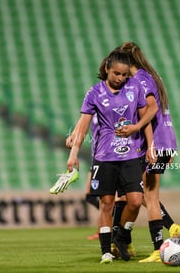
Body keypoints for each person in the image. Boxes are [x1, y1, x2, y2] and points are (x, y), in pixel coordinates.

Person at [65, 50, 154, 264]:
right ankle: (106, 251)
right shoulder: (94, 93)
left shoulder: (135, 87)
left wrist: (151, 146)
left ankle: (121, 236)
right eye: (116, 74)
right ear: (106, 69)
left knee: (134, 201)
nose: (121, 78)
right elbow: (82, 128)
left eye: (124, 75)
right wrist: (73, 155)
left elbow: (145, 120)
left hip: (132, 153)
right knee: (106, 203)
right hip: (105, 156)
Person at [115, 42, 180, 263]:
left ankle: (158, 248)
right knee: (139, 194)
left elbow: (152, 107)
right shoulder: (151, 75)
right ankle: (133, 239)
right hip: (166, 141)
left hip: (156, 143)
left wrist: (138, 131)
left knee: (148, 197)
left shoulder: (140, 79)